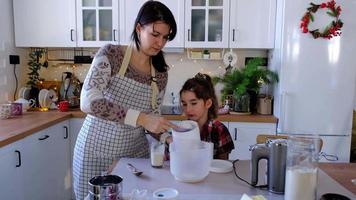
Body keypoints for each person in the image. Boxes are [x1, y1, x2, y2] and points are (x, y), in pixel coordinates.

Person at [73, 1, 178, 199]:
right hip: (95, 152)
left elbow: (153, 119)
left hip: (133, 158)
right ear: (139, 28)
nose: (160, 43)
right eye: (155, 35)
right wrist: (142, 119)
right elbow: (89, 101)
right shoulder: (111, 54)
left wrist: (170, 139)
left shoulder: (160, 74)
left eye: (165, 37)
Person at [164, 73, 235, 160]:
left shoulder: (219, 130)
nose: (188, 109)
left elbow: (223, 165)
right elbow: (170, 162)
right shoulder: (179, 130)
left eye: (193, 103)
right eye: (184, 104)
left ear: (208, 103)